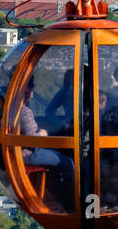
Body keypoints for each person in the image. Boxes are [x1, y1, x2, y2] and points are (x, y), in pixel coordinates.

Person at [16, 79, 74, 207]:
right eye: (30, 91)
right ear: (28, 92)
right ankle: (72, 200)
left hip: (16, 153)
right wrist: (43, 133)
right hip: (28, 154)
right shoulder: (25, 112)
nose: (31, 94)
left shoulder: (11, 110)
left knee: (56, 156)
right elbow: (32, 142)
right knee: (67, 162)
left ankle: (56, 195)